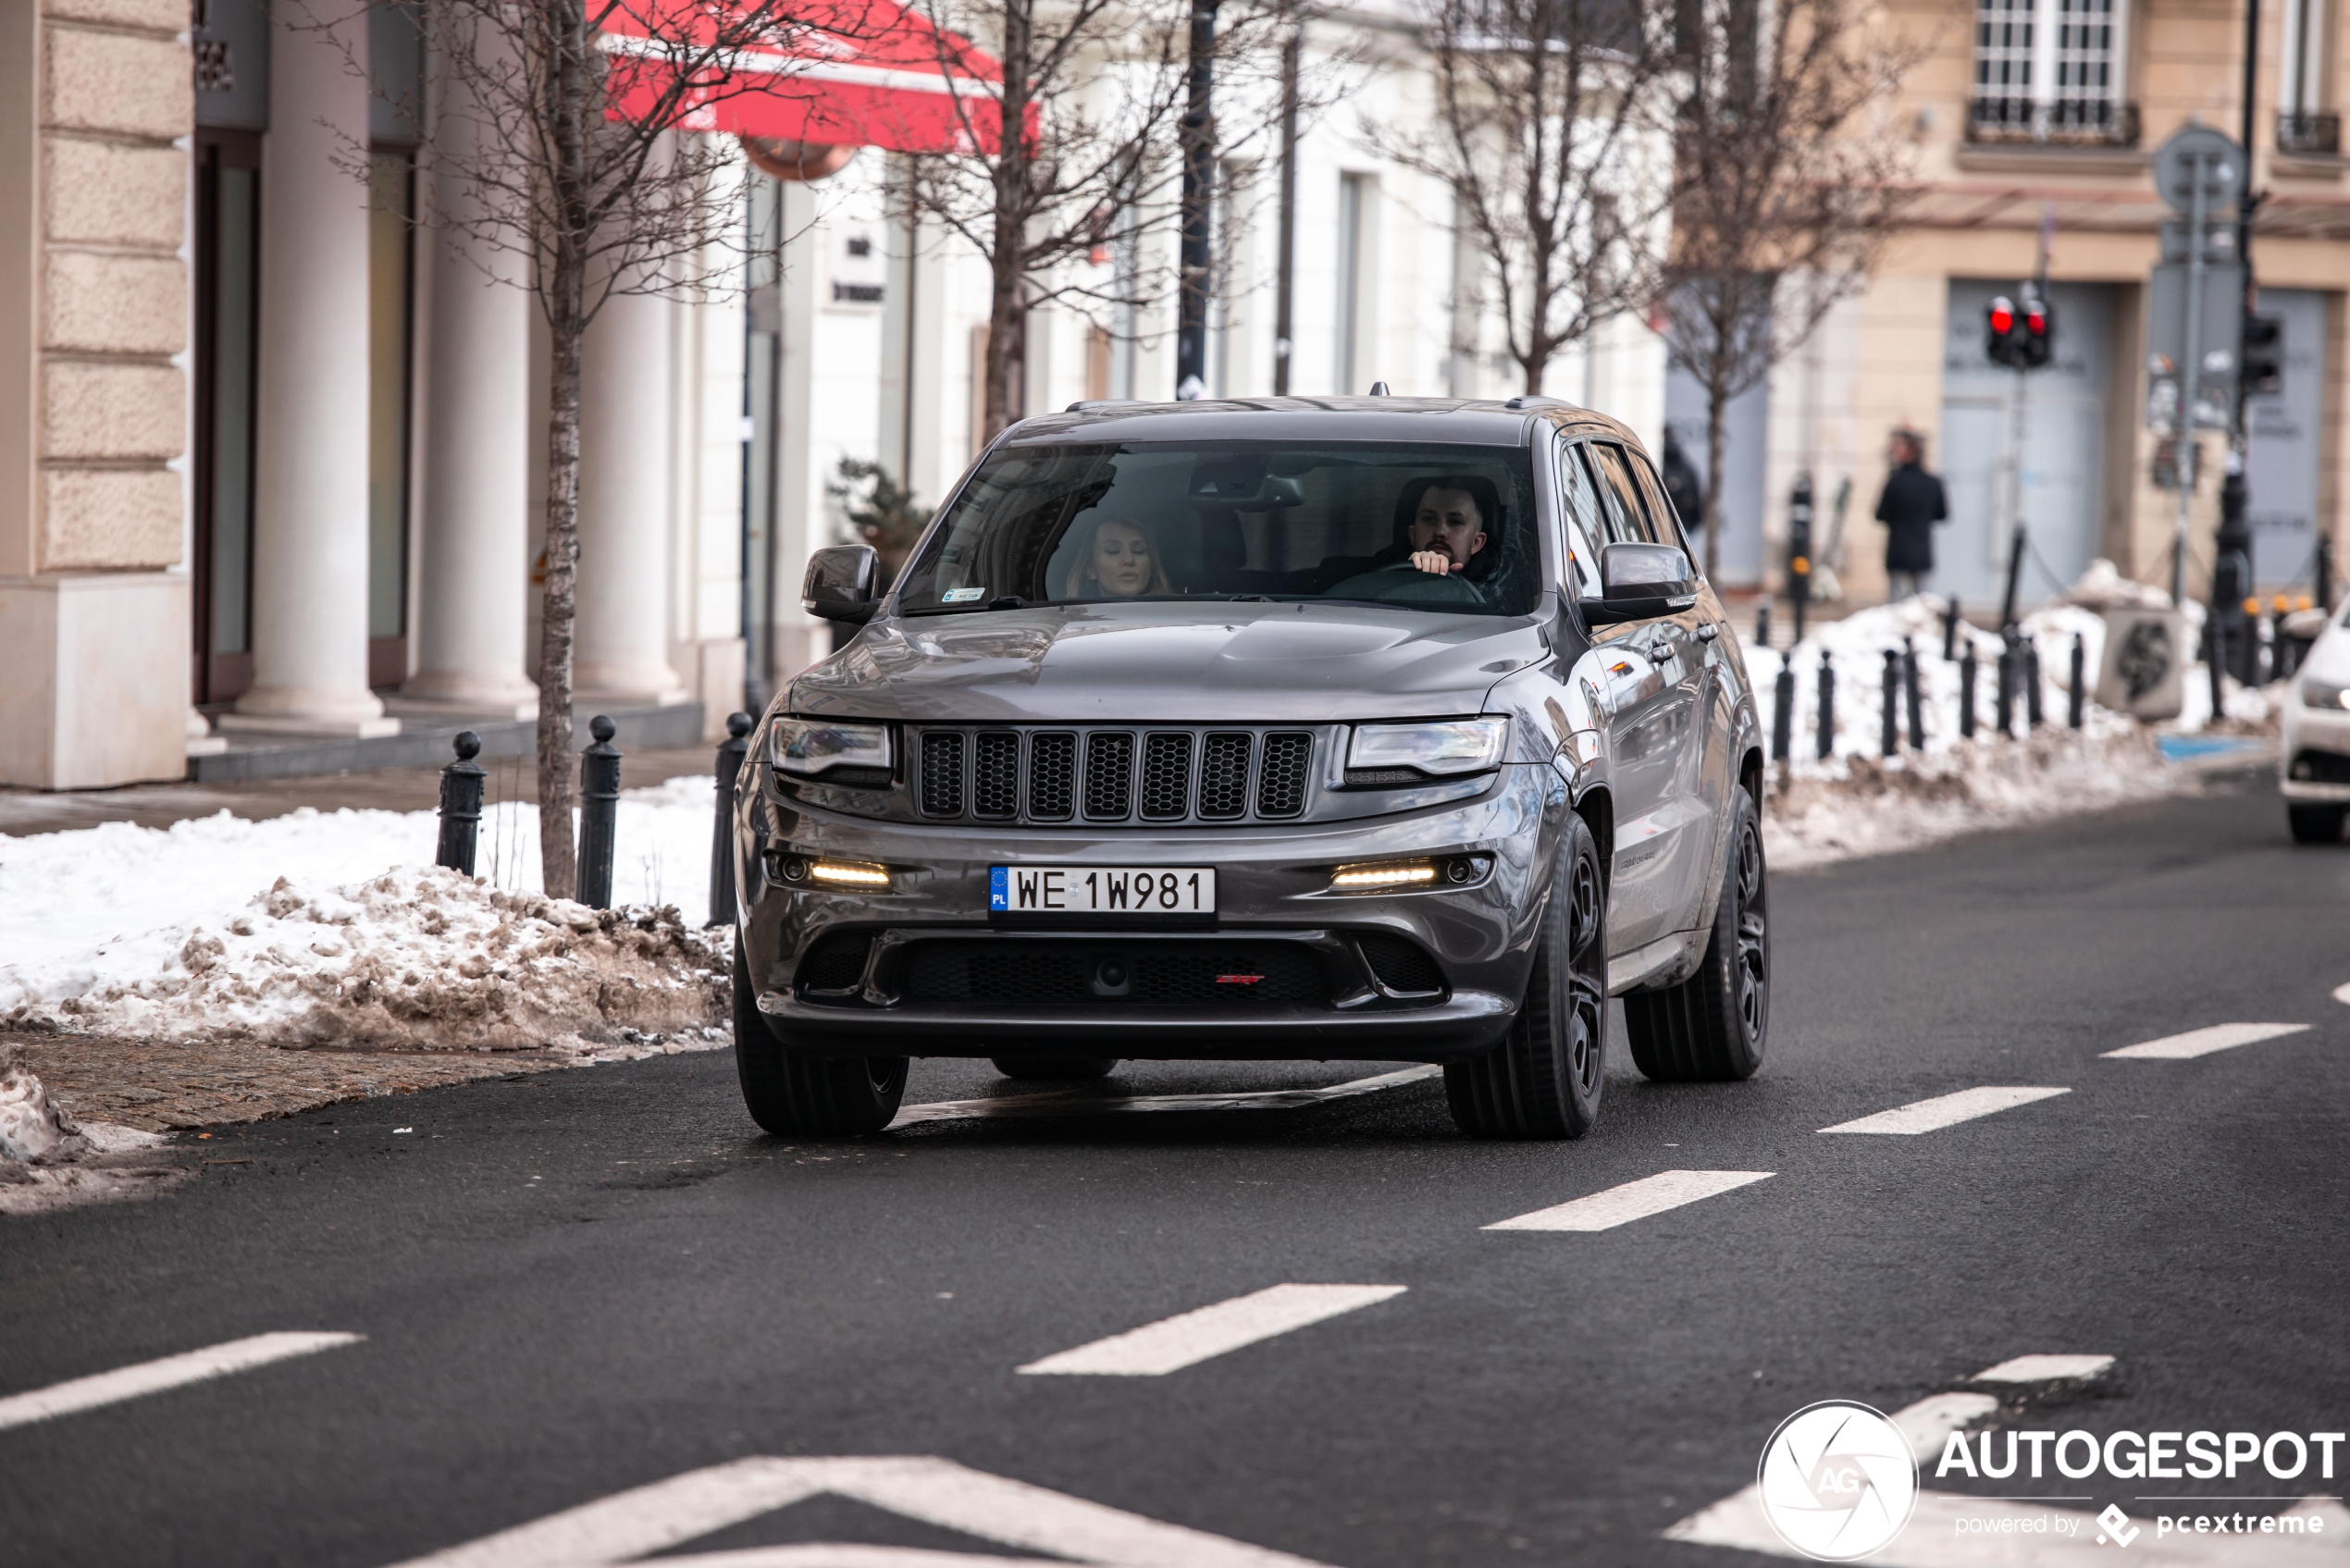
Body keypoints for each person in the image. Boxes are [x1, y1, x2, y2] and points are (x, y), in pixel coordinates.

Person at [1874, 429, 1947, 602]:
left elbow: (1880, 514)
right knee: (1923, 602)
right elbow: (1942, 514)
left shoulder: (1895, 481)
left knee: (1896, 602)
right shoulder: (1933, 482)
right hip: (1922, 548)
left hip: (1898, 548)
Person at [1061, 515, 1172, 599]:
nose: (1129, 560)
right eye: (1113, 551)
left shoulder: (1181, 620)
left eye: (1138, 551)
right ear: (1091, 569)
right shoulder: (1068, 623)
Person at [1405, 478, 1492, 577]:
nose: (1440, 531)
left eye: (1455, 522)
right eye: (1429, 519)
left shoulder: (1497, 586)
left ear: (1476, 542)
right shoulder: (1385, 576)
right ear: (1413, 535)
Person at [1660, 428, 1704, 537]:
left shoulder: (1656, 464)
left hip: (1660, 526)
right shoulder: (1688, 468)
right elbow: (1698, 498)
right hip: (1684, 527)